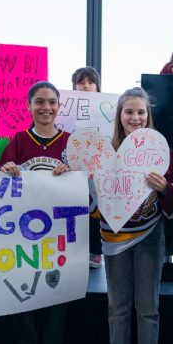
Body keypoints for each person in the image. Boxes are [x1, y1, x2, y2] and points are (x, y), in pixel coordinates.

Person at [99, 87, 173, 344]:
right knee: (117, 306)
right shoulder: (105, 150)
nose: (135, 117)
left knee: (148, 306)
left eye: (141, 112)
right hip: (113, 237)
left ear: (149, 116)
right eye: (129, 111)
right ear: (119, 116)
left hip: (149, 235)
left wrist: (164, 189)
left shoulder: (162, 151)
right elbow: (91, 194)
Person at [0, 81, 72, 344]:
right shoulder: (17, 140)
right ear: (29, 106)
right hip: (23, 237)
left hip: (60, 237)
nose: (46, 107)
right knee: (24, 295)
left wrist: (74, 172)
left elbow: (87, 186)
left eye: (52, 102)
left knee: (58, 296)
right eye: (39, 102)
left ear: (59, 106)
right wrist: (6, 168)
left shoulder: (70, 142)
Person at [71, 66, 104, 269]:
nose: (86, 86)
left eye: (90, 82)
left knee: (96, 210)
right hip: (73, 167)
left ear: (97, 86)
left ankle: (95, 251)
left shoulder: (108, 108)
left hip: (98, 168)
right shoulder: (64, 107)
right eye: (81, 82)